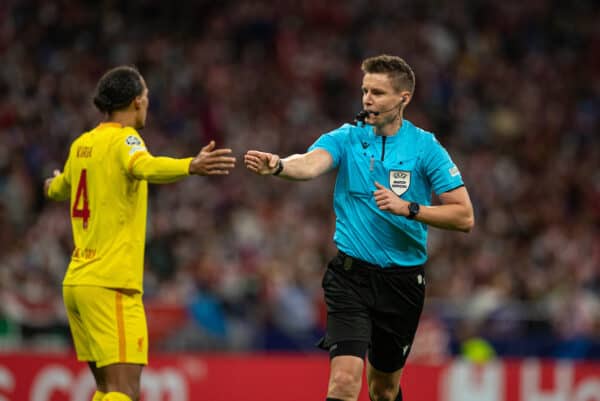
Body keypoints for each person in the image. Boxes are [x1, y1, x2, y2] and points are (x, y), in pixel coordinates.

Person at [244, 54, 474, 401]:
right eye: (365, 90)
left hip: (402, 283)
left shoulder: (425, 147)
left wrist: (409, 209)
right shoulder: (347, 138)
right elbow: (308, 164)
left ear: (403, 98)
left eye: (378, 92)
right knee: (344, 382)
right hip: (350, 277)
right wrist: (278, 165)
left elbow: (464, 216)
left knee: (383, 389)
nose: (368, 99)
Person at [44, 66, 236, 401]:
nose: (148, 104)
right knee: (125, 391)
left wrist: (50, 184)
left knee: (106, 389)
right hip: (111, 284)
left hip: (78, 282)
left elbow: (59, 188)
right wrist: (190, 165)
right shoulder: (127, 139)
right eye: (146, 97)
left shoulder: (82, 145)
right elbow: (144, 166)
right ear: (135, 102)